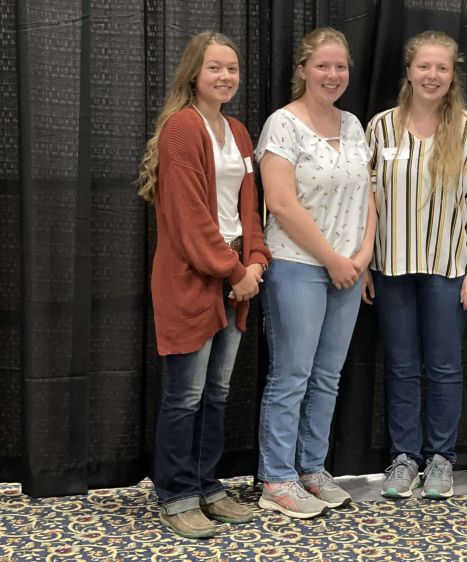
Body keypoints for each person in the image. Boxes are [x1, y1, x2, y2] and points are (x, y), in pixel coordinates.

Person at [137, 31, 270, 538]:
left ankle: (206, 485)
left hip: (237, 276)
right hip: (193, 277)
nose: (226, 77)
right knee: (184, 397)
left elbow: (249, 207)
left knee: (216, 394)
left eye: (232, 68)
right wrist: (235, 271)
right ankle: (175, 495)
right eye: (215, 68)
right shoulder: (180, 129)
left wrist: (255, 260)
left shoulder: (237, 130)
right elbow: (190, 218)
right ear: (194, 72)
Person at [364, 31, 467, 500]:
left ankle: (441, 458)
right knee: (401, 366)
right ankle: (405, 457)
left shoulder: (466, 128)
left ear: (452, 74)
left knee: (444, 367)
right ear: (408, 71)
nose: (432, 75)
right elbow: (368, 203)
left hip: (447, 268)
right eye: (424, 66)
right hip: (391, 267)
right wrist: (363, 265)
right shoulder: (380, 127)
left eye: (442, 68)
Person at [255, 27, 376, 519]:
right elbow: (281, 203)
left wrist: (362, 256)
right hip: (299, 266)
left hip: (348, 270)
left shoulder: (353, 124)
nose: (332, 75)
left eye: (340, 66)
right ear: (303, 69)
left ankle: (311, 468)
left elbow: (370, 194)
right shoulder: (282, 125)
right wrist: (331, 257)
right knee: (292, 375)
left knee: (327, 376)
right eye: (322, 66)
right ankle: (276, 478)